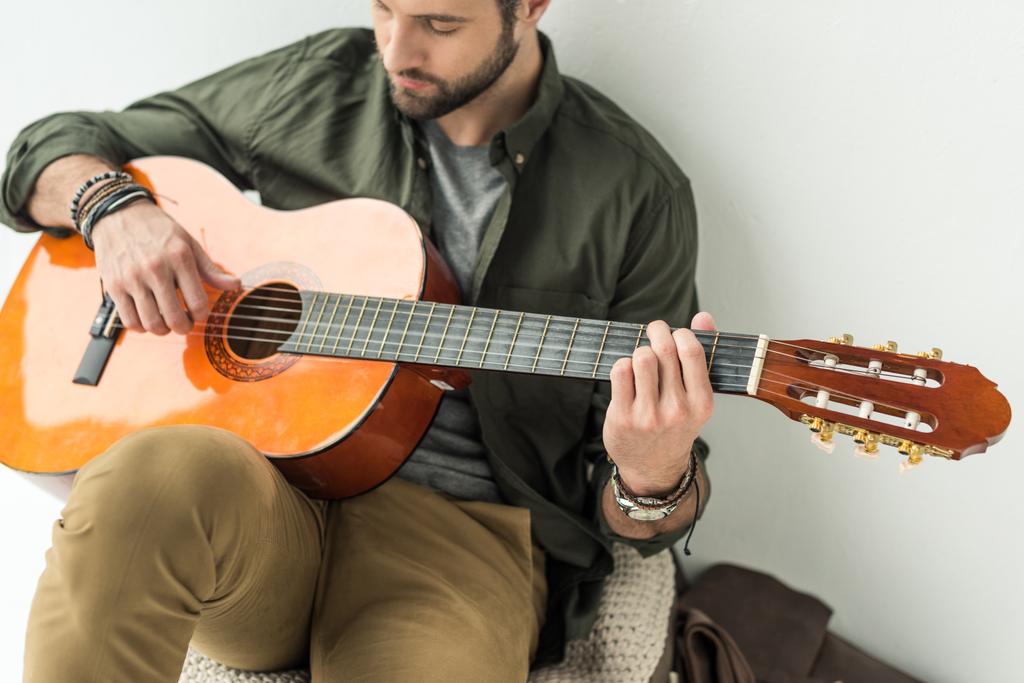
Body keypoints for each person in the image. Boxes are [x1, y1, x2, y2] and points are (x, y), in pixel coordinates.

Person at [0, 1, 717, 681]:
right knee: (143, 475)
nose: (397, 50)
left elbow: (635, 521)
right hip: (266, 487)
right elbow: (49, 148)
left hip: (456, 541)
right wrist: (112, 209)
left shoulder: (634, 191)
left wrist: (653, 474)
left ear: (530, 6)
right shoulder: (318, 84)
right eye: (384, 9)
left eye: (439, 21)